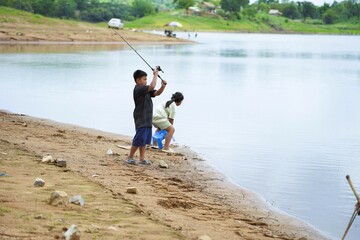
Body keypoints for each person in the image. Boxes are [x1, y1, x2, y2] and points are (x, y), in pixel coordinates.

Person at [127, 67, 167, 165]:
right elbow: (152, 86)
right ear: (138, 80)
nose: (146, 81)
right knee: (139, 138)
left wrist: (163, 86)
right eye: (144, 79)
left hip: (147, 118)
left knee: (144, 140)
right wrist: (155, 75)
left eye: (146, 79)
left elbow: (157, 93)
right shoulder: (138, 89)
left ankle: (141, 159)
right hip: (141, 117)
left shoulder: (146, 89)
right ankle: (130, 157)